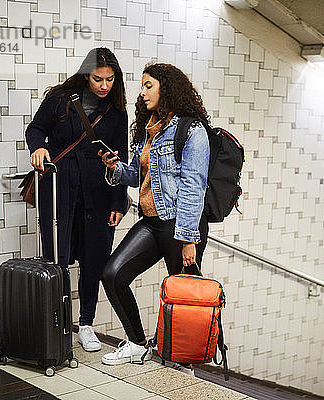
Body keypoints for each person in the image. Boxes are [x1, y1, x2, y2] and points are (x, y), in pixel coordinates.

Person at [97, 63, 210, 375]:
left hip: (180, 224)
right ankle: (136, 343)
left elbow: (193, 187)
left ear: (167, 88)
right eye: (142, 86)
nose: (142, 92)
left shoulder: (192, 131)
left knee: (183, 297)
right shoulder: (149, 126)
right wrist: (115, 168)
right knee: (113, 274)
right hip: (151, 220)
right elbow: (138, 175)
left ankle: (183, 363)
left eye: (148, 86)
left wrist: (189, 239)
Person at [25, 47, 128, 353]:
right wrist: (38, 148)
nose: (104, 85)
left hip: (98, 191)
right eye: (98, 78)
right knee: (57, 256)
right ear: (86, 74)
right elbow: (36, 129)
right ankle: (57, 321)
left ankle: (85, 324)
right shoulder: (59, 98)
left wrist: (118, 203)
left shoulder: (117, 112)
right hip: (60, 187)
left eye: (110, 79)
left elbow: (120, 160)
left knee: (94, 260)